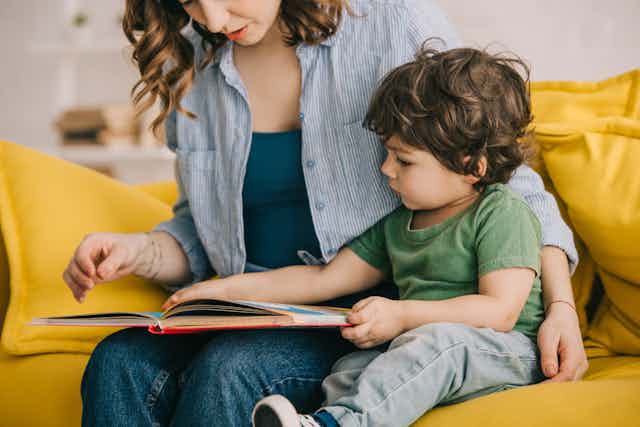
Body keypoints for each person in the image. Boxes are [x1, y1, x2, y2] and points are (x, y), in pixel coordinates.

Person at [62, 1, 586, 426]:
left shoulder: (389, 20)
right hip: (256, 304)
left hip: (365, 312)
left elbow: (502, 173)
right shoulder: (190, 59)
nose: (213, 20)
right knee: (117, 363)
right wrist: (140, 251)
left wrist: (561, 305)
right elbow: (197, 229)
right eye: (189, 1)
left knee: (232, 371)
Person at [164, 44, 550, 427]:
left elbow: (499, 311)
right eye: (387, 154)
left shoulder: (501, 212)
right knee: (352, 367)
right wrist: (225, 292)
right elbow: (323, 278)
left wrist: (401, 314)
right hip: (422, 345)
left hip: (503, 352)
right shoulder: (399, 224)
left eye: (403, 160)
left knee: (437, 345)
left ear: (472, 167)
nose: (386, 169)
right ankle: (322, 419)